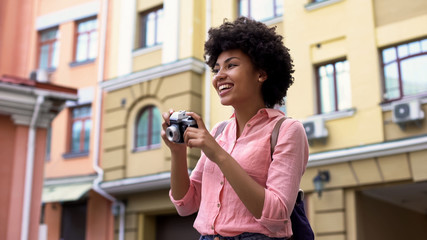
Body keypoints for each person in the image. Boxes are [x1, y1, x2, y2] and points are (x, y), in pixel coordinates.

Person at [161, 17, 309, 240]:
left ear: (261, 73)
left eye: (231, 65)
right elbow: (186, 204)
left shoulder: (287, 130)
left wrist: (218, 154)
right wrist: (177, 152)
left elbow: (277, 215)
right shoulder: (220, 131)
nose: (219, 75)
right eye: (217, 68)